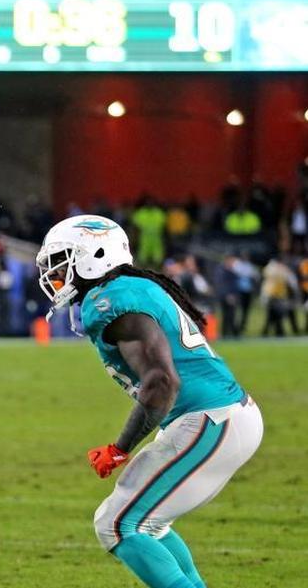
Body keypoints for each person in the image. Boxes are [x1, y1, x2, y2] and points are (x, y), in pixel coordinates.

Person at [35, 215, 262, 588]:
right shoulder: (130, 287)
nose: (56, 274)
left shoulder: (109, 301)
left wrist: (120, 448)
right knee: (147, 524)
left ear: (95, 255)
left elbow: (162, 382)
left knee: (117, 524)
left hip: (209, 419)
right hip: (221, 417)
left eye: (63, 261)